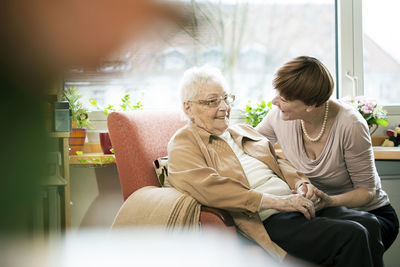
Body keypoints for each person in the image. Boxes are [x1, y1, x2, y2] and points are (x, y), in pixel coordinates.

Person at [168, 65, 384, 266]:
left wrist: (301, 184)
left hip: (295, 205)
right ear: (188, 108)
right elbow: (208, 187)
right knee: (352, 234)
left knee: (371, 223)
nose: (225, 107)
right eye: (213, 101)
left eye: (226, 98)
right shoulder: (184, 143)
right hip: (267, 217)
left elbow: (278, 162)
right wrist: (279, 202)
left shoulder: (242, 131)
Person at [256, 56, 399, 252]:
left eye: (284, 99)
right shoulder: (278, 118)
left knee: (351, 239)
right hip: (324, 213)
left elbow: (367, 192)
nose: (274, 102)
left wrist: (329, 201)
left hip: (370, 213)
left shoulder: (350, 124)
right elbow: (248, 145)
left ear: (311, 104)